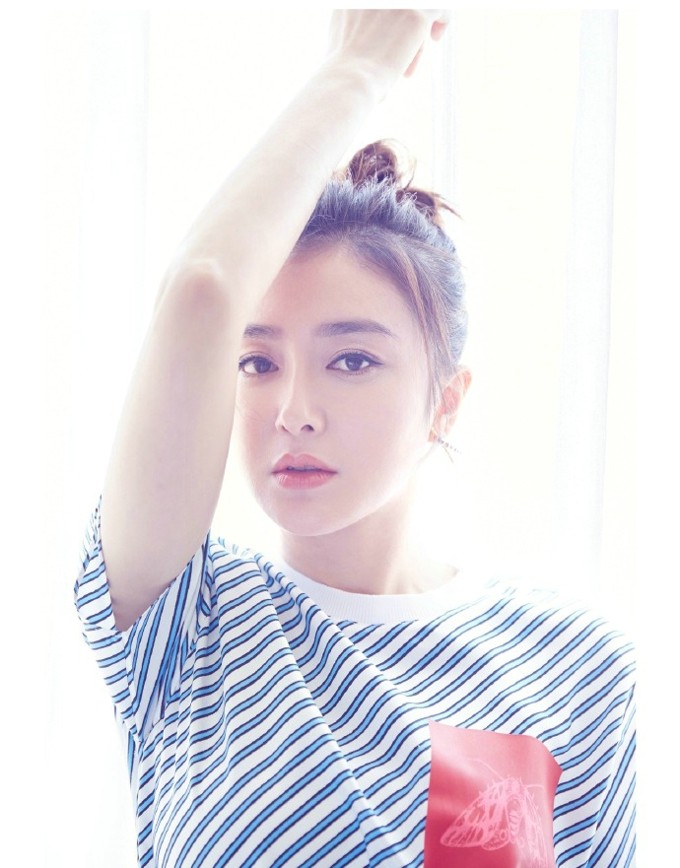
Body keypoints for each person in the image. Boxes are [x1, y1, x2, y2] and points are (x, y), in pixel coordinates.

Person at [75, 10, 635, 867]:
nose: (294, 409)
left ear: (446, 401)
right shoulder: (187, 614)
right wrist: (361, 67)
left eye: (352, 361)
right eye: (258, 363)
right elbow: (201, 289)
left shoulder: (573, 666)